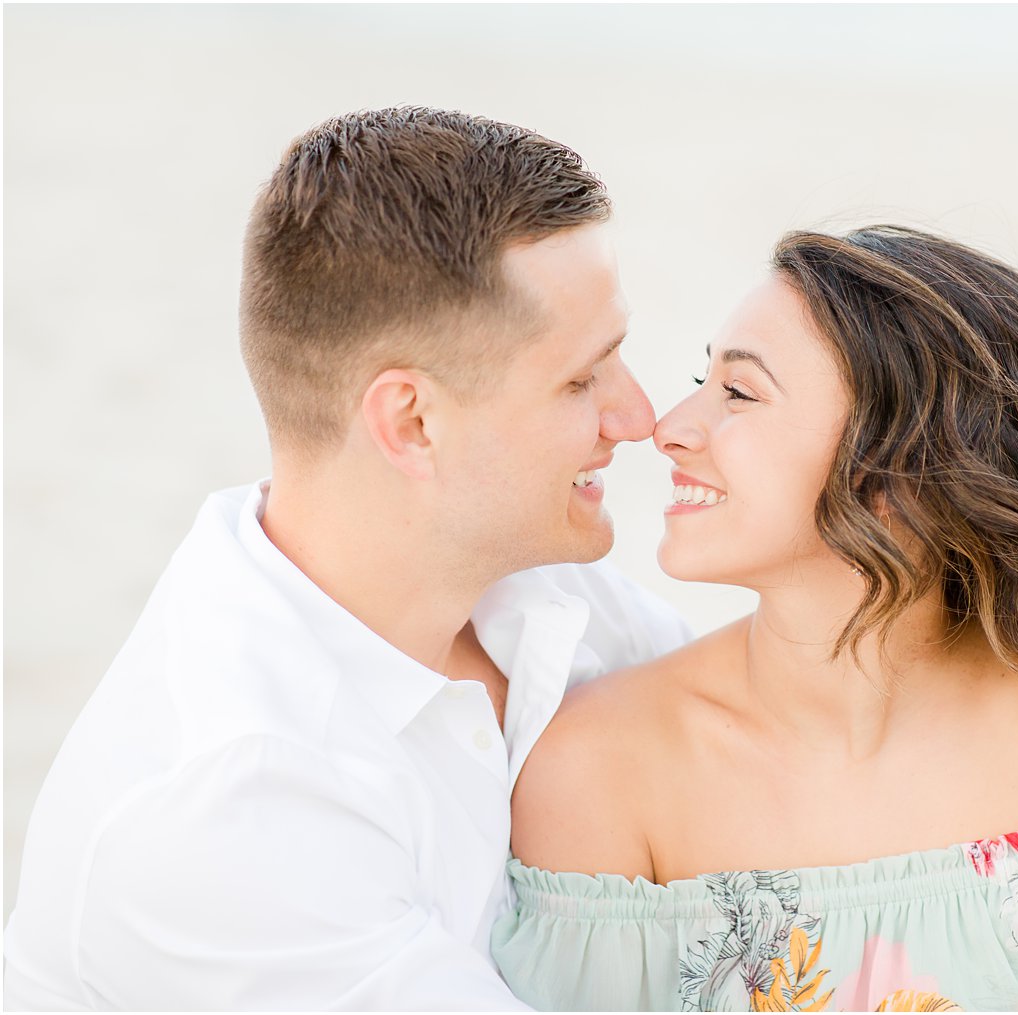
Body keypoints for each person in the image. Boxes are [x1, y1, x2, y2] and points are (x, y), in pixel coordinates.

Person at [494, 226, 1018, 1011]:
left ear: (905, 469)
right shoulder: (601, 772)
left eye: (738, 393)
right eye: (704, 378)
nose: (669, 427)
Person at [2, 107, 690, 1010]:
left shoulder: (544, 589)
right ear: (410, 422)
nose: (639, 418)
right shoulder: (230, 808)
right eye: (581, 378)